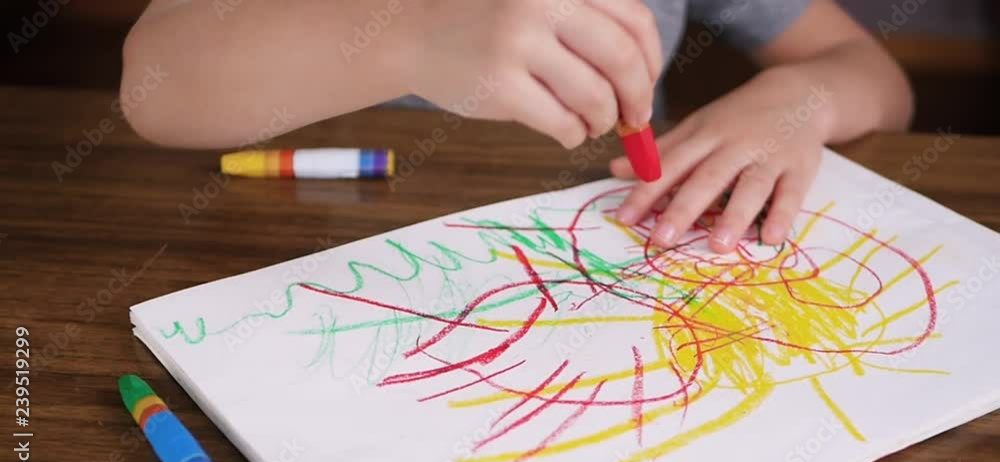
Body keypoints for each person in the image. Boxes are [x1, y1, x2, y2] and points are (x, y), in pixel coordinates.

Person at [120, 0, 913, 253]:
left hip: (612, 255)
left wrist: (799, 97)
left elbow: (871, 72)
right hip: (320, 246)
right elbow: (152, 85)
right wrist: (411, 34)